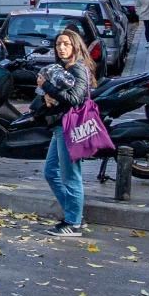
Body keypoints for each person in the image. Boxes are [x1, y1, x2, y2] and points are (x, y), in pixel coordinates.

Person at [38, 28, 96, 238]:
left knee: (71, 176)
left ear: (75, 46)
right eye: (58, 44)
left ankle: (74, 223)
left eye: (66, 44)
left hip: (70, 127)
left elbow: (75, 99)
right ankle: (74, 214)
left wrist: (47, 87)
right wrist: (46, 94)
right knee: (50, 172)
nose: (61, 48)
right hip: (59, 127)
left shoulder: (78, 68)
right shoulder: (64, 68)